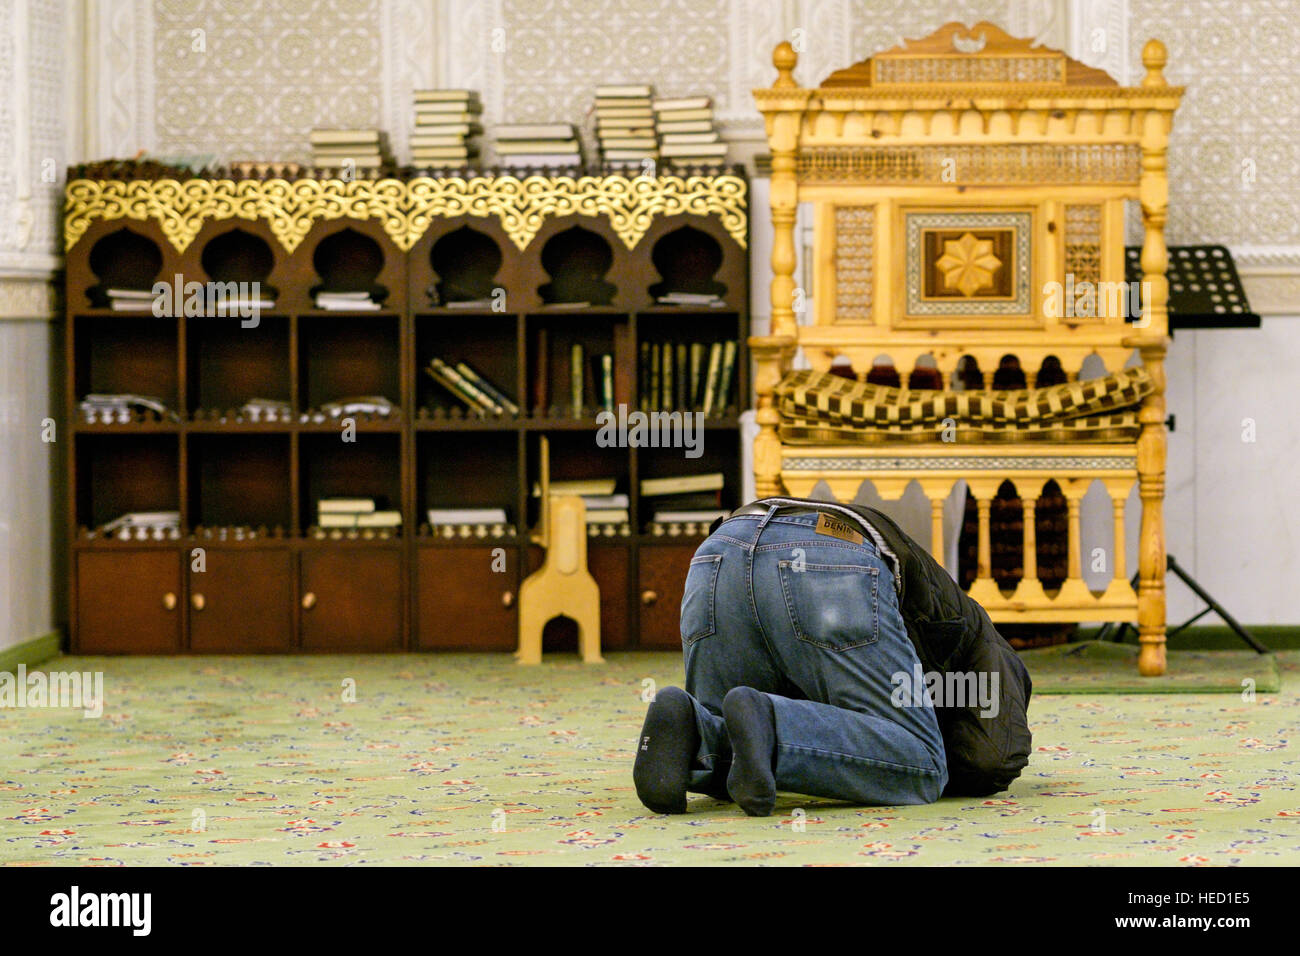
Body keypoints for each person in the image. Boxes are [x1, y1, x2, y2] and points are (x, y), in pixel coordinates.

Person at [633, 496, 1032, 816]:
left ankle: (694, 731)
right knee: (924, 766)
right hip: (827, 558)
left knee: (735, 746)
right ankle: (773, 728)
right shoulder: (985, 645)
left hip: (718, 553)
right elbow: (993, 758)